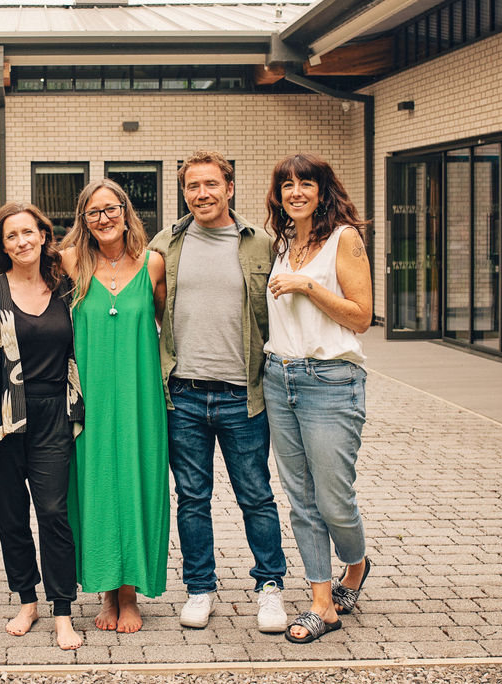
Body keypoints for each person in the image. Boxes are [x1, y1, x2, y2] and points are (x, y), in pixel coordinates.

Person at [148, 150, 288, 633]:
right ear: (183, 192)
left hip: (242, 395)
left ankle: (270, 587)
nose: (201, 194)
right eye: (192, 187)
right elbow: (150, 308)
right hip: (182, 395)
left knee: (256, 495)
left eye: (210, 184)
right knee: (192, 498)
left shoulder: (259, 245)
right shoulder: (165, 243)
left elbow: (278, 316)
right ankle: (200, 587)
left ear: (229, 187)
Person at [0, 202, 84, 650]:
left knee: (53, 513)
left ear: (44, 236)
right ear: (2, 245)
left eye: (28, 232)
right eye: (11, 236)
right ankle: (27, 600)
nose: (21, 242)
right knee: (11, 517)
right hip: (2, 417)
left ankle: (63, 609)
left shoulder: (67, 288)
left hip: (53, 414)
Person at [262, 152, 372, 644]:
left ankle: (357, 561)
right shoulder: (283, 243)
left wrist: (307, 285)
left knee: (333, 500)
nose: (295, 192)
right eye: (286, 185)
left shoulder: (343, 239)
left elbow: (361, 316)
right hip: (278, 378)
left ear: (323, 190)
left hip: (330, 380)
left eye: (306, 183)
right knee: (301, 501)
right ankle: (321, 604)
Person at [59, 178, 169, 634]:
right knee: (96, 485)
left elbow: (162, 321)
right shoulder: (69, 263)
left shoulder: (154, 264)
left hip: (140, 393)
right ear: (83, 220)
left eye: (111, 209)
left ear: (126, 211)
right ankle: (106, 592)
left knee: (139, 483)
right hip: (91, 396)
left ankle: (131, 594)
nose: (104, 219)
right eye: (93, 212)